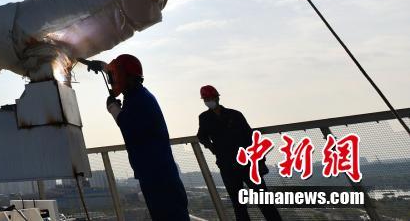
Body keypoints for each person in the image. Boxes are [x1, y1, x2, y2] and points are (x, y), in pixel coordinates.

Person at [82, 55, 189, 220]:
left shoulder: (138, 101)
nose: (112, 80)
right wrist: (103, 66)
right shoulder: (139, 97)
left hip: (156, 174)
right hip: (156, 172)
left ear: (125, 77)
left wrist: (113, 108)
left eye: (115, 76)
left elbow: (126, 125)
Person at [197, 85, 283, 221]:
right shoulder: (204, 118)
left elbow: (250, 137)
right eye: (206, 99)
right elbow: (201, 136)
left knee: (263, 201)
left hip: (247, 163)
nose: (208, 101)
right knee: (239, 204)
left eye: (210, 98)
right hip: (227, 165)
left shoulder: (235, 115)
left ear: (217, 98)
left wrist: (259, 161)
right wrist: (213, 148)